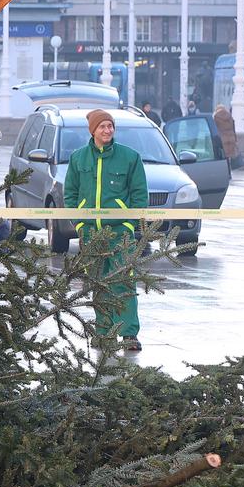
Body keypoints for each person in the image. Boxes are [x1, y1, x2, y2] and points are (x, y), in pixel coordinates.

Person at [62, 109, 149, 352]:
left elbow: (140, 195)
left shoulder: (130, 157)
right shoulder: (78, 158)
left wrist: (129, 224)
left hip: (120, 233)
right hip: (91, 234)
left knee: (124, 282)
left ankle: (129, 334)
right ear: (93, 130)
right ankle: (104, 334)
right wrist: (80, 224)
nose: (107, 130)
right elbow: (70, 194)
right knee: (97, 283)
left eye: (110, 126)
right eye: (103, 126)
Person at [213, 104, 240, 168]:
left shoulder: (216, 117)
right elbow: (233, 128)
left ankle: (225, 167)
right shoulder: (229, 116)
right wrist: (235, 138)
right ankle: (231, 166)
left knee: (224, 154)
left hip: (222, 137)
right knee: (231, 153)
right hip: (231, 137)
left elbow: (215, 128)